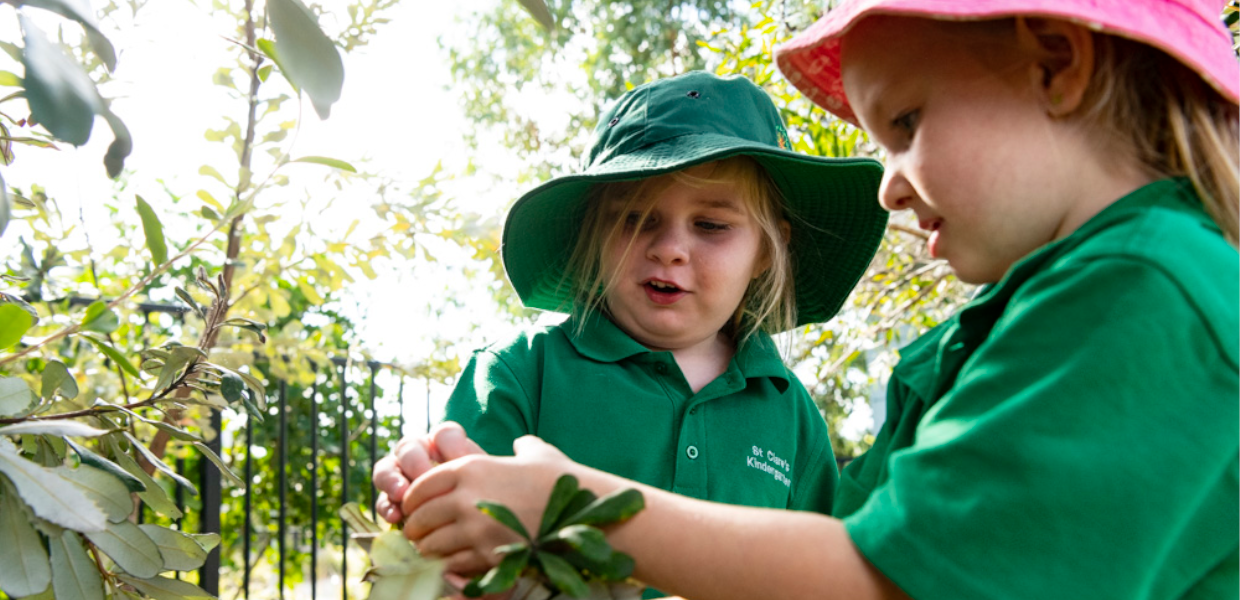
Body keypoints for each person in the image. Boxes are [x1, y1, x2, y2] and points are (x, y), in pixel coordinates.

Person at [382, 1, 1240, 598]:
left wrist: (576, 508)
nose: (888, 190)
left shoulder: (1144, 290)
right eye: (639, 217)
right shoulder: (522, 372)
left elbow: (891, 579)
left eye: (904, 125)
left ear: (1059, 67)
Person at [374, 70, 888, 595]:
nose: (669, 248)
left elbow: (821, 576)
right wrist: (424, 506)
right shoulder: (522, 373)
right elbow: (452, 553)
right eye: (636, 218)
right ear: (595, 234)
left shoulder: (789, 412)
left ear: (765, 250)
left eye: (711, 225)